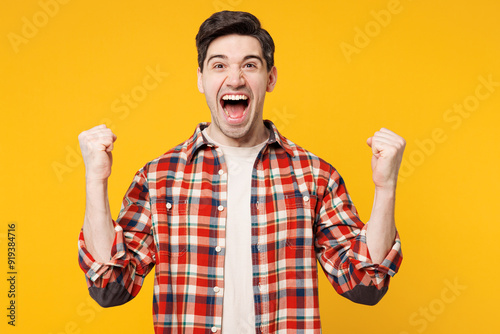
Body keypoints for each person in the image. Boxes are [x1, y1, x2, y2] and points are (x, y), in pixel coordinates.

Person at [77, 11, 405, 334]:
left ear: (271, 78)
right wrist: (95, 181)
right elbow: (111, 287)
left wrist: (386, 187)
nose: (235, 79)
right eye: (219, 65)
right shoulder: (159, 178)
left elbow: (366, 285)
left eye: (250, 65)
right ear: (201, 79)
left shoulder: (314, 175)